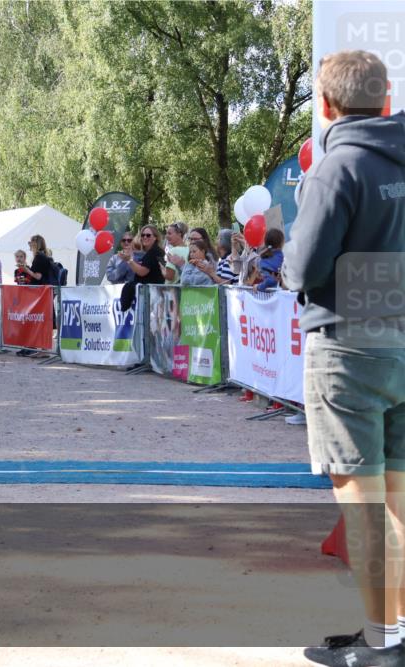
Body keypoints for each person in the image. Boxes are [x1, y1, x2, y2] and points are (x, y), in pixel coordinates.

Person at [282, 51, 405, 667]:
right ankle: (395, 632)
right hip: (401, 339)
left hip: (350, 347)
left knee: (363, 505)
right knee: (395, 503)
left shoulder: (339, 165)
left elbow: (301, 269)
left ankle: (387, 643)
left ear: (326, 107)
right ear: (386, 100)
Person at [119, 224, 165, 311]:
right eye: (143, 235)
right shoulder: (154, 251)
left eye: (148, 235)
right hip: (152, 293)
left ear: (155, 237)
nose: (145, 237)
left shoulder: (154, 252)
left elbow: (142, 271)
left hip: (151, 294)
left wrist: (129, 260)